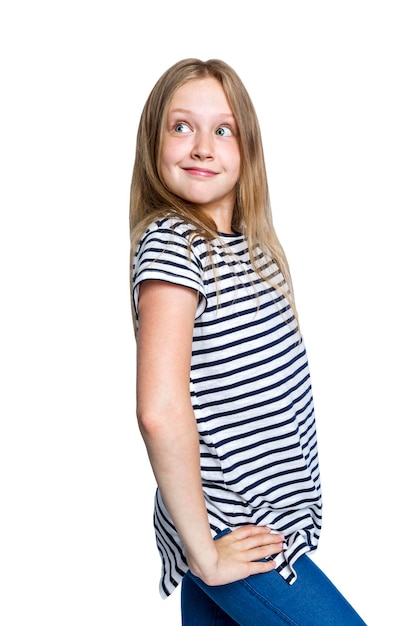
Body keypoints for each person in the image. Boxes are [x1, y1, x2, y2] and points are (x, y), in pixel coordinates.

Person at [129, 58, 367, 626]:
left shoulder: (256, 251)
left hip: (261, 528)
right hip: (235, 535)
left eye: (223, 129)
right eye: (182, 127)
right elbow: (160, 410)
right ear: (153, 143)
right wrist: (205, 553)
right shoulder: (175, 246)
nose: (203, 147)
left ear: (248, 148)